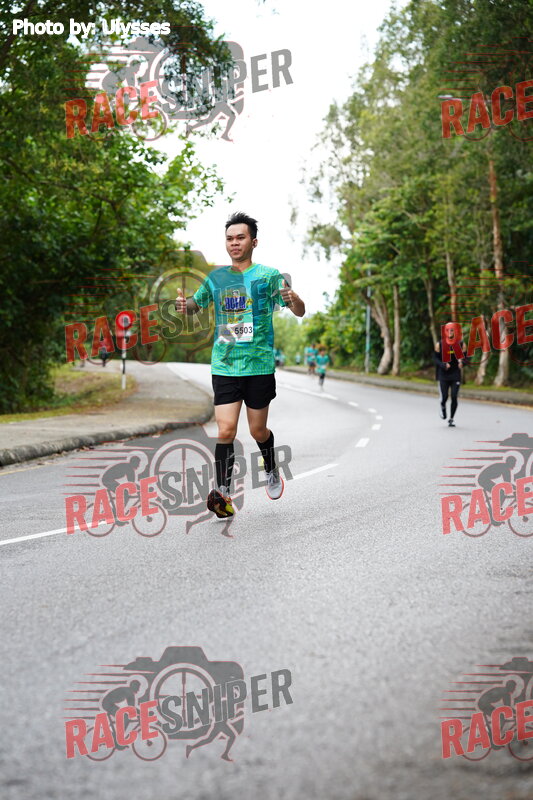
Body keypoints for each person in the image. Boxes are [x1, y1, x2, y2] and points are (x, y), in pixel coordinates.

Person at [175, 212, 305, 517]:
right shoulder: (217, 278)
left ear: (253, 242)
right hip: (225, 364)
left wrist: (294, 298)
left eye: (240, 237)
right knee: (226, 430)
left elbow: (298, 311)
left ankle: (271, 468)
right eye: (230, 238)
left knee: (258, 430)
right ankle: (224, 492)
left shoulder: (269, 276)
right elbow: (196, 304)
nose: (234, 243)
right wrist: (184, 305)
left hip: (259, 365)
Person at [433, 324, 470, 427]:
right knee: (444, 397)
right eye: (448, 330)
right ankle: (442, 405)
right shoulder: (440, 344)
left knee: (454, 396)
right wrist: (443, 364)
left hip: (455, 374)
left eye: (452, 330)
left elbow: (467, 358)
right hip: (443, 374)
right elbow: (435, 358)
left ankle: (451, 419)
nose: (450, 332)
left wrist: (463, 363)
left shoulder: (461, 344)